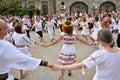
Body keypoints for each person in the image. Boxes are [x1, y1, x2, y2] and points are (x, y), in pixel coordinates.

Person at [52, 29, 120, 80]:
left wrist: (61, 67)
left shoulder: (100, 54)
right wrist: (95, 43)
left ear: (101, 41)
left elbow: (81, 65)